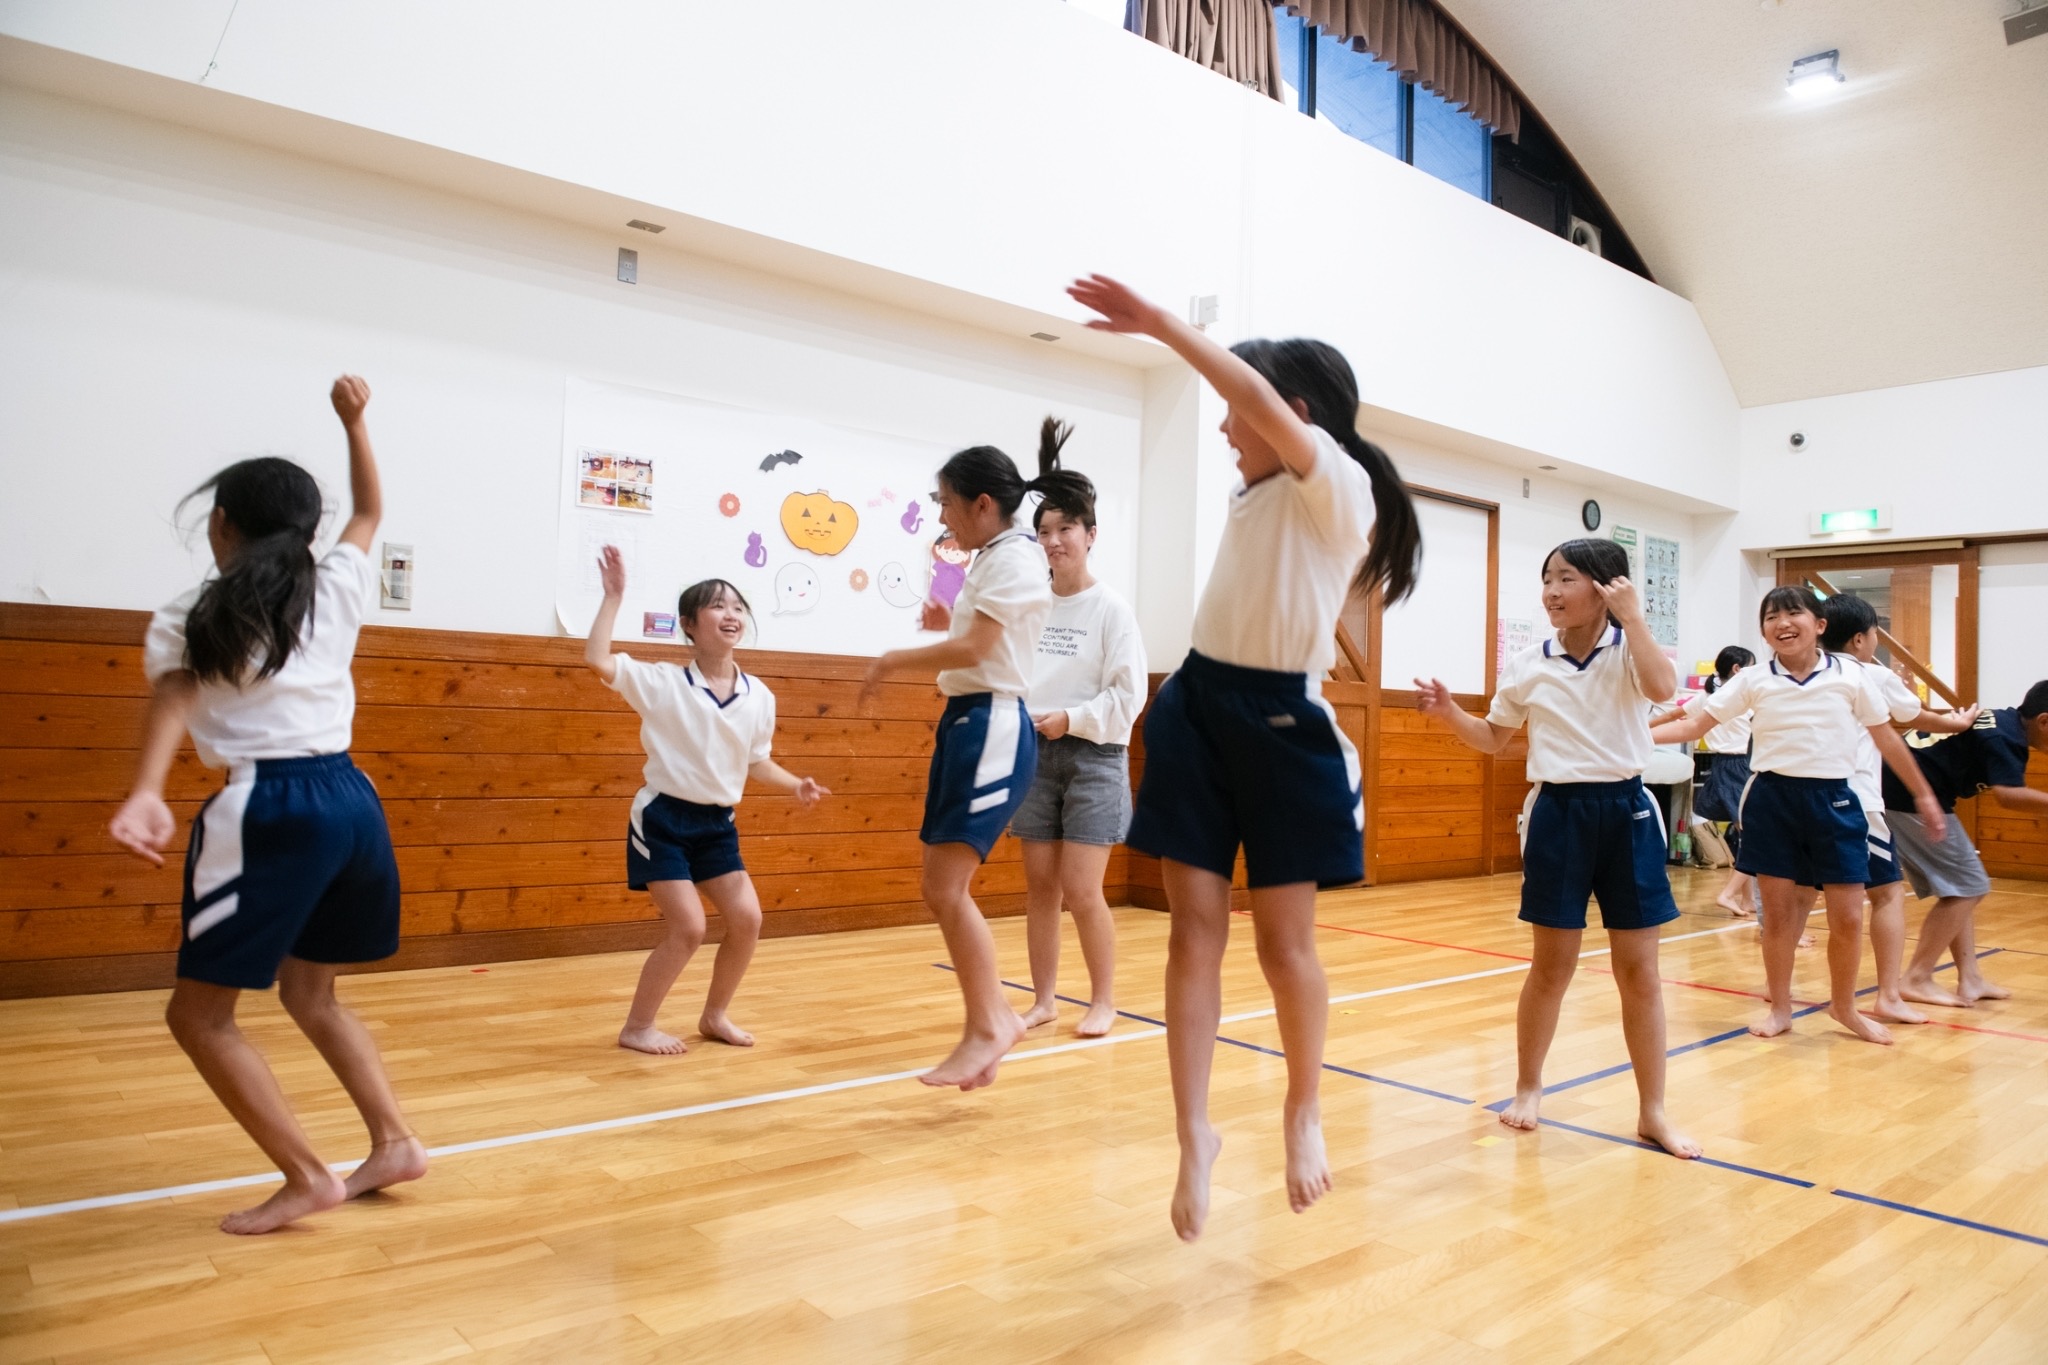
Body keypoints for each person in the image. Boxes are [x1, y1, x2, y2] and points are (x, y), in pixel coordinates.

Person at [1068, 272, 1423, 1242]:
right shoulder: (1256, 491)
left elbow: (1259, 400)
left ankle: (1300, 1108)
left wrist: (1159, 326)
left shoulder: (1334, 488)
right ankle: (1194, 1134)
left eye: (1234, 411)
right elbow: (1255, 409)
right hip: (1193, 705)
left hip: (1278, 727)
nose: (1227, 428)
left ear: (1291, 416)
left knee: (1282, 945)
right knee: (1192, 932)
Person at [107, 376, 428, 1234]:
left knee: (198, 1014)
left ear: (221, 524)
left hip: (269, 809)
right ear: (309, 530)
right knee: (312, 993)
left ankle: (305, 1174)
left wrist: (145, 791)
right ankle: (393, 1141)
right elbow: (370, 507)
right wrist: (357, 424)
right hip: (353, 799)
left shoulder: (194, 610)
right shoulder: (340, 582)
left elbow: (172, 700)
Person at [1417, 539, 1699, 1159]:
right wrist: (1447, 715)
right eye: (1546, 578)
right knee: (1551, 966)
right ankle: (1527, 1088)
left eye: (1565, 579)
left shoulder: (1631, 650)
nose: (1550, 591)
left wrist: (1635, 618)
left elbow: (1659, 686)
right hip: (1558, 815)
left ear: (1604, 587)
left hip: (1626, 812)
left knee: (1640, 973)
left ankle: (1653, 1110)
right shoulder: (1529, 663)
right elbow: (1493, 739)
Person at [1650, 588, 1946, 1045]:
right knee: (1782, 917)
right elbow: (1694, 725)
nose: (1782, 622)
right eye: (1771, 616)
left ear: (1820, 625)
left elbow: (1885, 736)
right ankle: (1782, 1007)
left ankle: (1844, 1007)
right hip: (1773, 801)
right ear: (1763, 629)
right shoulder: (1752, 678)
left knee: (1848, 916)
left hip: (1837, 802)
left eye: (1794, 613)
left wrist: (1923, 794)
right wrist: (1632, 738)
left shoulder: (1852, 674)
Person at [858, 434, 1063, 1090]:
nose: (941, 516)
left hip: (993, 725)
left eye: (945, 503)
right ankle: (990, 1019)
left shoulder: (1015, 560)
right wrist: (946, 627)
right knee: (939, 886)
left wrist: (895, 658)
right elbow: (980, 642)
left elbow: (978, 651)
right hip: (969, 722)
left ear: (981, 504)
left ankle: (989, 1024)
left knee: (945, 887)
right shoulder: (999, 557)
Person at [584, 554, 829, 1054]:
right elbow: (598, 660)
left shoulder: (758, 695)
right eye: (717, 606)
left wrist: (793, 784)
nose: (731, 613)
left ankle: (715, 1016)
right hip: (663, 820)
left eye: (737, 605)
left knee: (748, 920)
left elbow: (756, 760)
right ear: (690, 626)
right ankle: (637, 1026)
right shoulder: (662, 683)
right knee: (690, 927)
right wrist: (612, 598)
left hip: (717, 824)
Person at [1012, 419, 1147, 1039]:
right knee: (1041, 887)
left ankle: (1104, 1000)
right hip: (1034, 755)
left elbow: (1128, 696)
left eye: (1066, 528)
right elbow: (1011, 670)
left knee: (1081, 889)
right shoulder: (1030, 604)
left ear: (1091, 535)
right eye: (1045, 531)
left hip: (1093, 758)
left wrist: (1073, 718)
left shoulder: (1112, 608)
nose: (1054, 540)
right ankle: (1042, 1000)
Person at [1816, 593, 1977, 1024]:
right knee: (1886, 893)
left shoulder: (1806, 671)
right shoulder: (1870, 673)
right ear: (1859, 640)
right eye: (1873, 636)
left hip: (1798, 798)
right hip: (1856, 802)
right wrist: (1958, 722)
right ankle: (1888, 993)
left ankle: (1778, 998)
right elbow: (1915, 716)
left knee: (1796, 898)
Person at [1886, 679, 2048, 1007]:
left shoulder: (2003, 721)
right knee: (1970, 885)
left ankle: (1970, 978)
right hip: (1907, 794)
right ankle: (1917, 977)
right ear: (2044, 721)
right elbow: (2008, 796)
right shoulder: (2006, 737)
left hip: (1901, 789)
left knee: (1960, 888)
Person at [1695, 646, 1757, 915]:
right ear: (1737, 669)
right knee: (1755, 835)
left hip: (1723, 764)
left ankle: (1748, 900)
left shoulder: (1706, 697)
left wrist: (1646, 729)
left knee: (1746, 835)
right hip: (1740, 766)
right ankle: (1728, 893)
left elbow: (1675, 715)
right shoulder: (1742, 698)